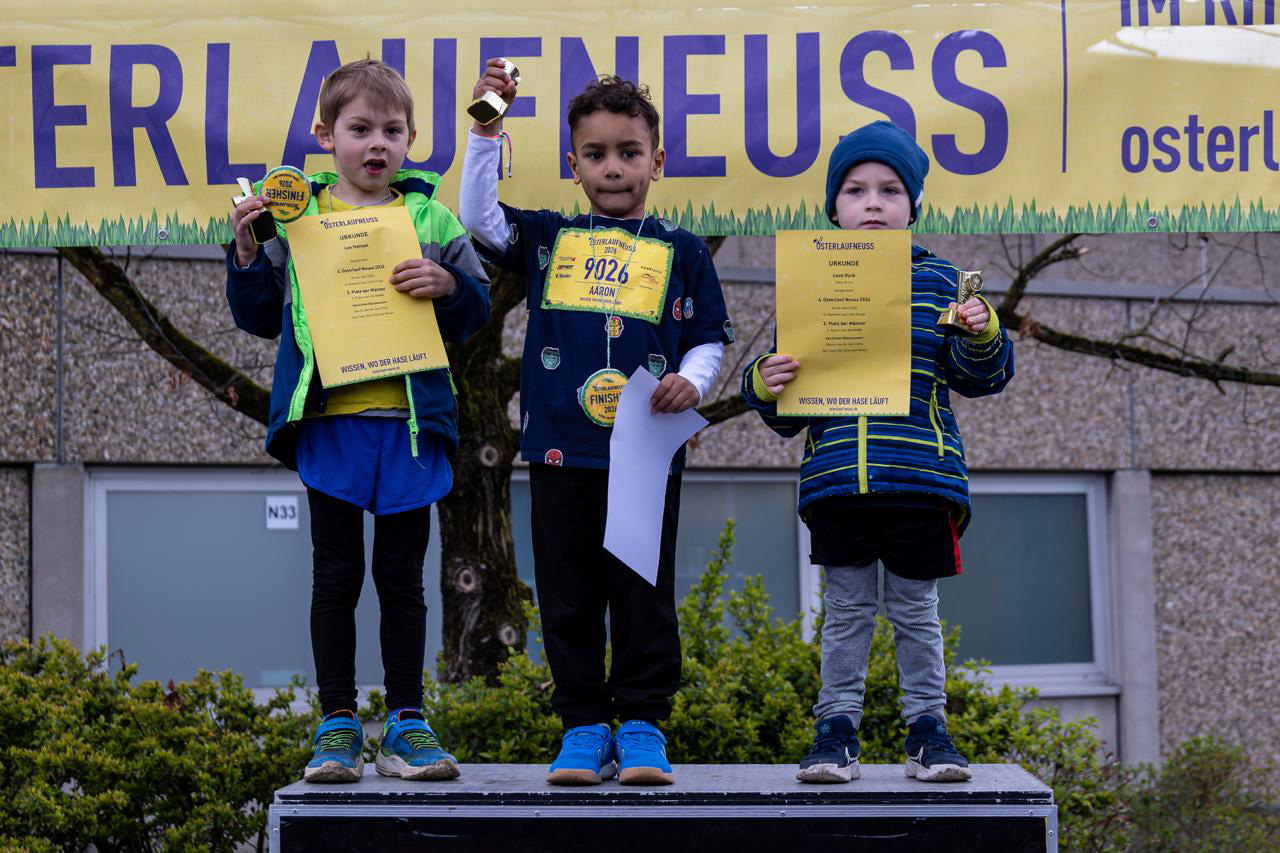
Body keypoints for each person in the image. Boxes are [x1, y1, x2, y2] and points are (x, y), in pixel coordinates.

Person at [458, 61, 733, 786]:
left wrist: (692, 379)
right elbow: (478, 220)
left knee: (643, 594)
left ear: (657, 161)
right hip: (559, 451)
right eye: (596, 153)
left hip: (645, 454)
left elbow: (709, 337)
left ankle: (642, 724)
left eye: (629, 152)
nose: (613, 167)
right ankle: (583, 726)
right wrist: (486, 128)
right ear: (572, 163)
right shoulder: (548, 238)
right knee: (567, 595)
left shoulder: (684, 249)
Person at [226, 59, 489, 783]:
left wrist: (448, 283)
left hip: (410, 427)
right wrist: (246, 249)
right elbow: (257, 315)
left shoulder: (433, 219)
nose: (378, 143)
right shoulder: (294, 216)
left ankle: (406, 723)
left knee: (402, 579)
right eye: (360, 129)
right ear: (326, 135)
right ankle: (338, 724)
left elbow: (475, 310)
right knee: (335, 577)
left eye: (392, 131)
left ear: (411, 140)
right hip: (330, 426)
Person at [741, 120, 1014, 784]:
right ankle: (836, 732)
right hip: (838, 482)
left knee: (916, 612)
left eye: (890, 190)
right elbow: (785, 405)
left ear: (912, 207)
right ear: (832, 207)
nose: (872, 203)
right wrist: (763, 382)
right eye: (856, 190)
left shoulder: (946, 282)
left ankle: (928, 733)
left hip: (921, 479)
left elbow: (980, 377)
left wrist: (983, 332)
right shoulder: (812, 283)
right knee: (846, 612)